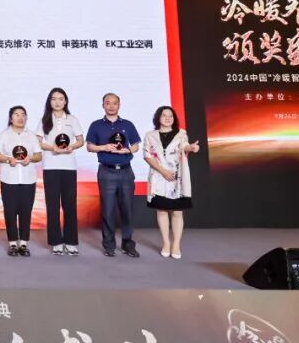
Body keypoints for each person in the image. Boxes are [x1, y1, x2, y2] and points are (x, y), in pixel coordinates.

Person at [85, 92, 142, 258]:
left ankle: (127, 244)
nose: (111, 106)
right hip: (106, 171)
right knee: (108, 210)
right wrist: (104, 147)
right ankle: (109, 245)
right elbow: (89, 146)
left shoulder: (128, 124)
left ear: (119, 105)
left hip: (126, 171)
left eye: (114, 103)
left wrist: (128, 150)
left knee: (127, 209)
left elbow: (136, 146)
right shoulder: (96, 125)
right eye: (107, 103)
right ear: (103, 105)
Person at [142, 105, 200, 259]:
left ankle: (176, 245)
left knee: (177, 212)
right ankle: (166, 243)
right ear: (158, 118)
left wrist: (191, 148)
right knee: (161, 211)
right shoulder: (150, 135)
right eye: (164, 115)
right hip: (159, 177)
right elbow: (147, 156)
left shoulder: (181, 134)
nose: (168, 118)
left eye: (171, 116)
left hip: (176, 178)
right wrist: (163, 171)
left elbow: (184, 146)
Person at [36, 87, 85, 256]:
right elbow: (38, 142)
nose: (57, 102)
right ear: (49, 102)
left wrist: (72, 146)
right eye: (54, 99)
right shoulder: (44, 120)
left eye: (60, 99)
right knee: (52, 205)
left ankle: (71, 241)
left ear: (65, 102)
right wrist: (52, 148)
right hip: (50, 166)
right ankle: (56, 241)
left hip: (69, 167)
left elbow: (80, 140)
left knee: (70, 205)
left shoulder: (72, 119)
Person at [0, 106, 42, 256]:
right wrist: (8, 159)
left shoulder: (31, 135)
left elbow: (39, 155)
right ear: (10, 118)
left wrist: (30, 158)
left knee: (26, 211)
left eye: (23, 115)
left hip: (28, 179)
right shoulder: (4, 135)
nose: (20, 117)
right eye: (16, 114)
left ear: (26, 118)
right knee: (10, 211)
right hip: (9, 179)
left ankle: (24, 243)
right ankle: (13, 243)